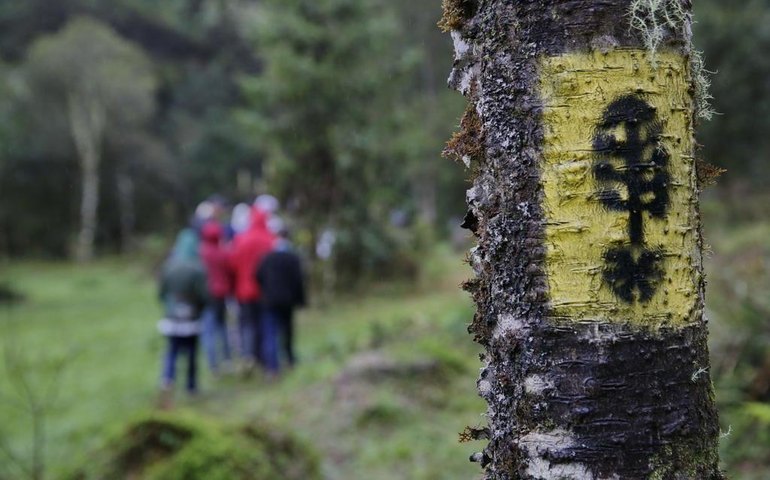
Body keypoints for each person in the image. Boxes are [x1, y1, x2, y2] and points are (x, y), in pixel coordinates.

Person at [158, 230, 208, 399]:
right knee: (192, 352)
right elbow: (203, 295)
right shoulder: (197, 267)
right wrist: (201, 308)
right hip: (192, 316)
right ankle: (191, 385)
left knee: (172, 349)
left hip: (172, 315)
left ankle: (167, 379)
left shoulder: (169, 266)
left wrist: (169, 305)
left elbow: (162, 292)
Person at [229, 207, 275, 371]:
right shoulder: (270, 239)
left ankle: (248, 357)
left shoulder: (241, 239)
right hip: (265, 291)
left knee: (247, 325)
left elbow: (233, 263)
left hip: (244, 290)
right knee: (264, 324)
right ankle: (265, 359)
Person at [256, 226, 306, 371]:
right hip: (287, 301)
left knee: (271, 332)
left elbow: (257, 276)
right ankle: (289, 359)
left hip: (270, 300)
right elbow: (298, 281)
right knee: (287, 331)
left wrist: (265, 291)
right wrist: (301, 300)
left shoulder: (267, 258)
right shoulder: (292, 258)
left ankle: (273, 367)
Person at [199, 221, 233, 374]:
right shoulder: (223, 253)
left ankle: (213, 363)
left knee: (208, 329)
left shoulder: (201, 252)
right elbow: (230, 272)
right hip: (221, 295)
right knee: (222, 327)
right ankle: (227, 359)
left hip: (206, 295)